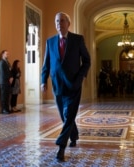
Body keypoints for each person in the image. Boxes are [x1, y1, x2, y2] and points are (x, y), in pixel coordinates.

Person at [41, 12, 91, 161]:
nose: (59, 23)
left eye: (62, 21)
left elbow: (87, 61)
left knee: (69, 114)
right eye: (57, 21)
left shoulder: (77, 39)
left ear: (68, 24)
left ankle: (61, 147)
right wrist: (43, 81)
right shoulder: (50, 42)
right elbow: (46, 64)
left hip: (74, 84)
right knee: (65, 116)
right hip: (57, 85)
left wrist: (81, 76)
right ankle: (74, 135)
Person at [0, 50, 13, 114]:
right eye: (6, 54)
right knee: (4, 96)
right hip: (3, 82)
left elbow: (10, 70)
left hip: (8, 82)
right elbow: (3, 72)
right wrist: (9, 78)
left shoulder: (7, 62)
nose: (7, 55)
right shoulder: (1, 62)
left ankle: (7, 109)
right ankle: (4, 109)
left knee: (7, 96)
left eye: (8, 54)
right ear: (2, 55)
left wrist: (11, 77)